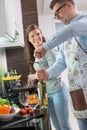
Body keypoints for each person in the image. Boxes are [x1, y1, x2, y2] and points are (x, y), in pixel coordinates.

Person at [34, 0, 87, 130]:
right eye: (55, 15)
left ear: (69, 5)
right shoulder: (66, 36)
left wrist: (45, 47)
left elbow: (72, 29)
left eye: (58, 12)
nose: (57, 17)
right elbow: (62, 61)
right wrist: (48, 73)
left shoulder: (83, 23)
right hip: (78, 93)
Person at [24, 24, 73, 130]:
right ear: (28, 40)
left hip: (58, 91)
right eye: (32, 36)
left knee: (64, 125)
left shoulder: (48, 49)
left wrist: (35, 76)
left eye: (38, 34)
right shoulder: (35, 52)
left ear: (41, 34)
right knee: (56, 125)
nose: (36, 37)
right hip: (46, 93)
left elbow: (55, 71)